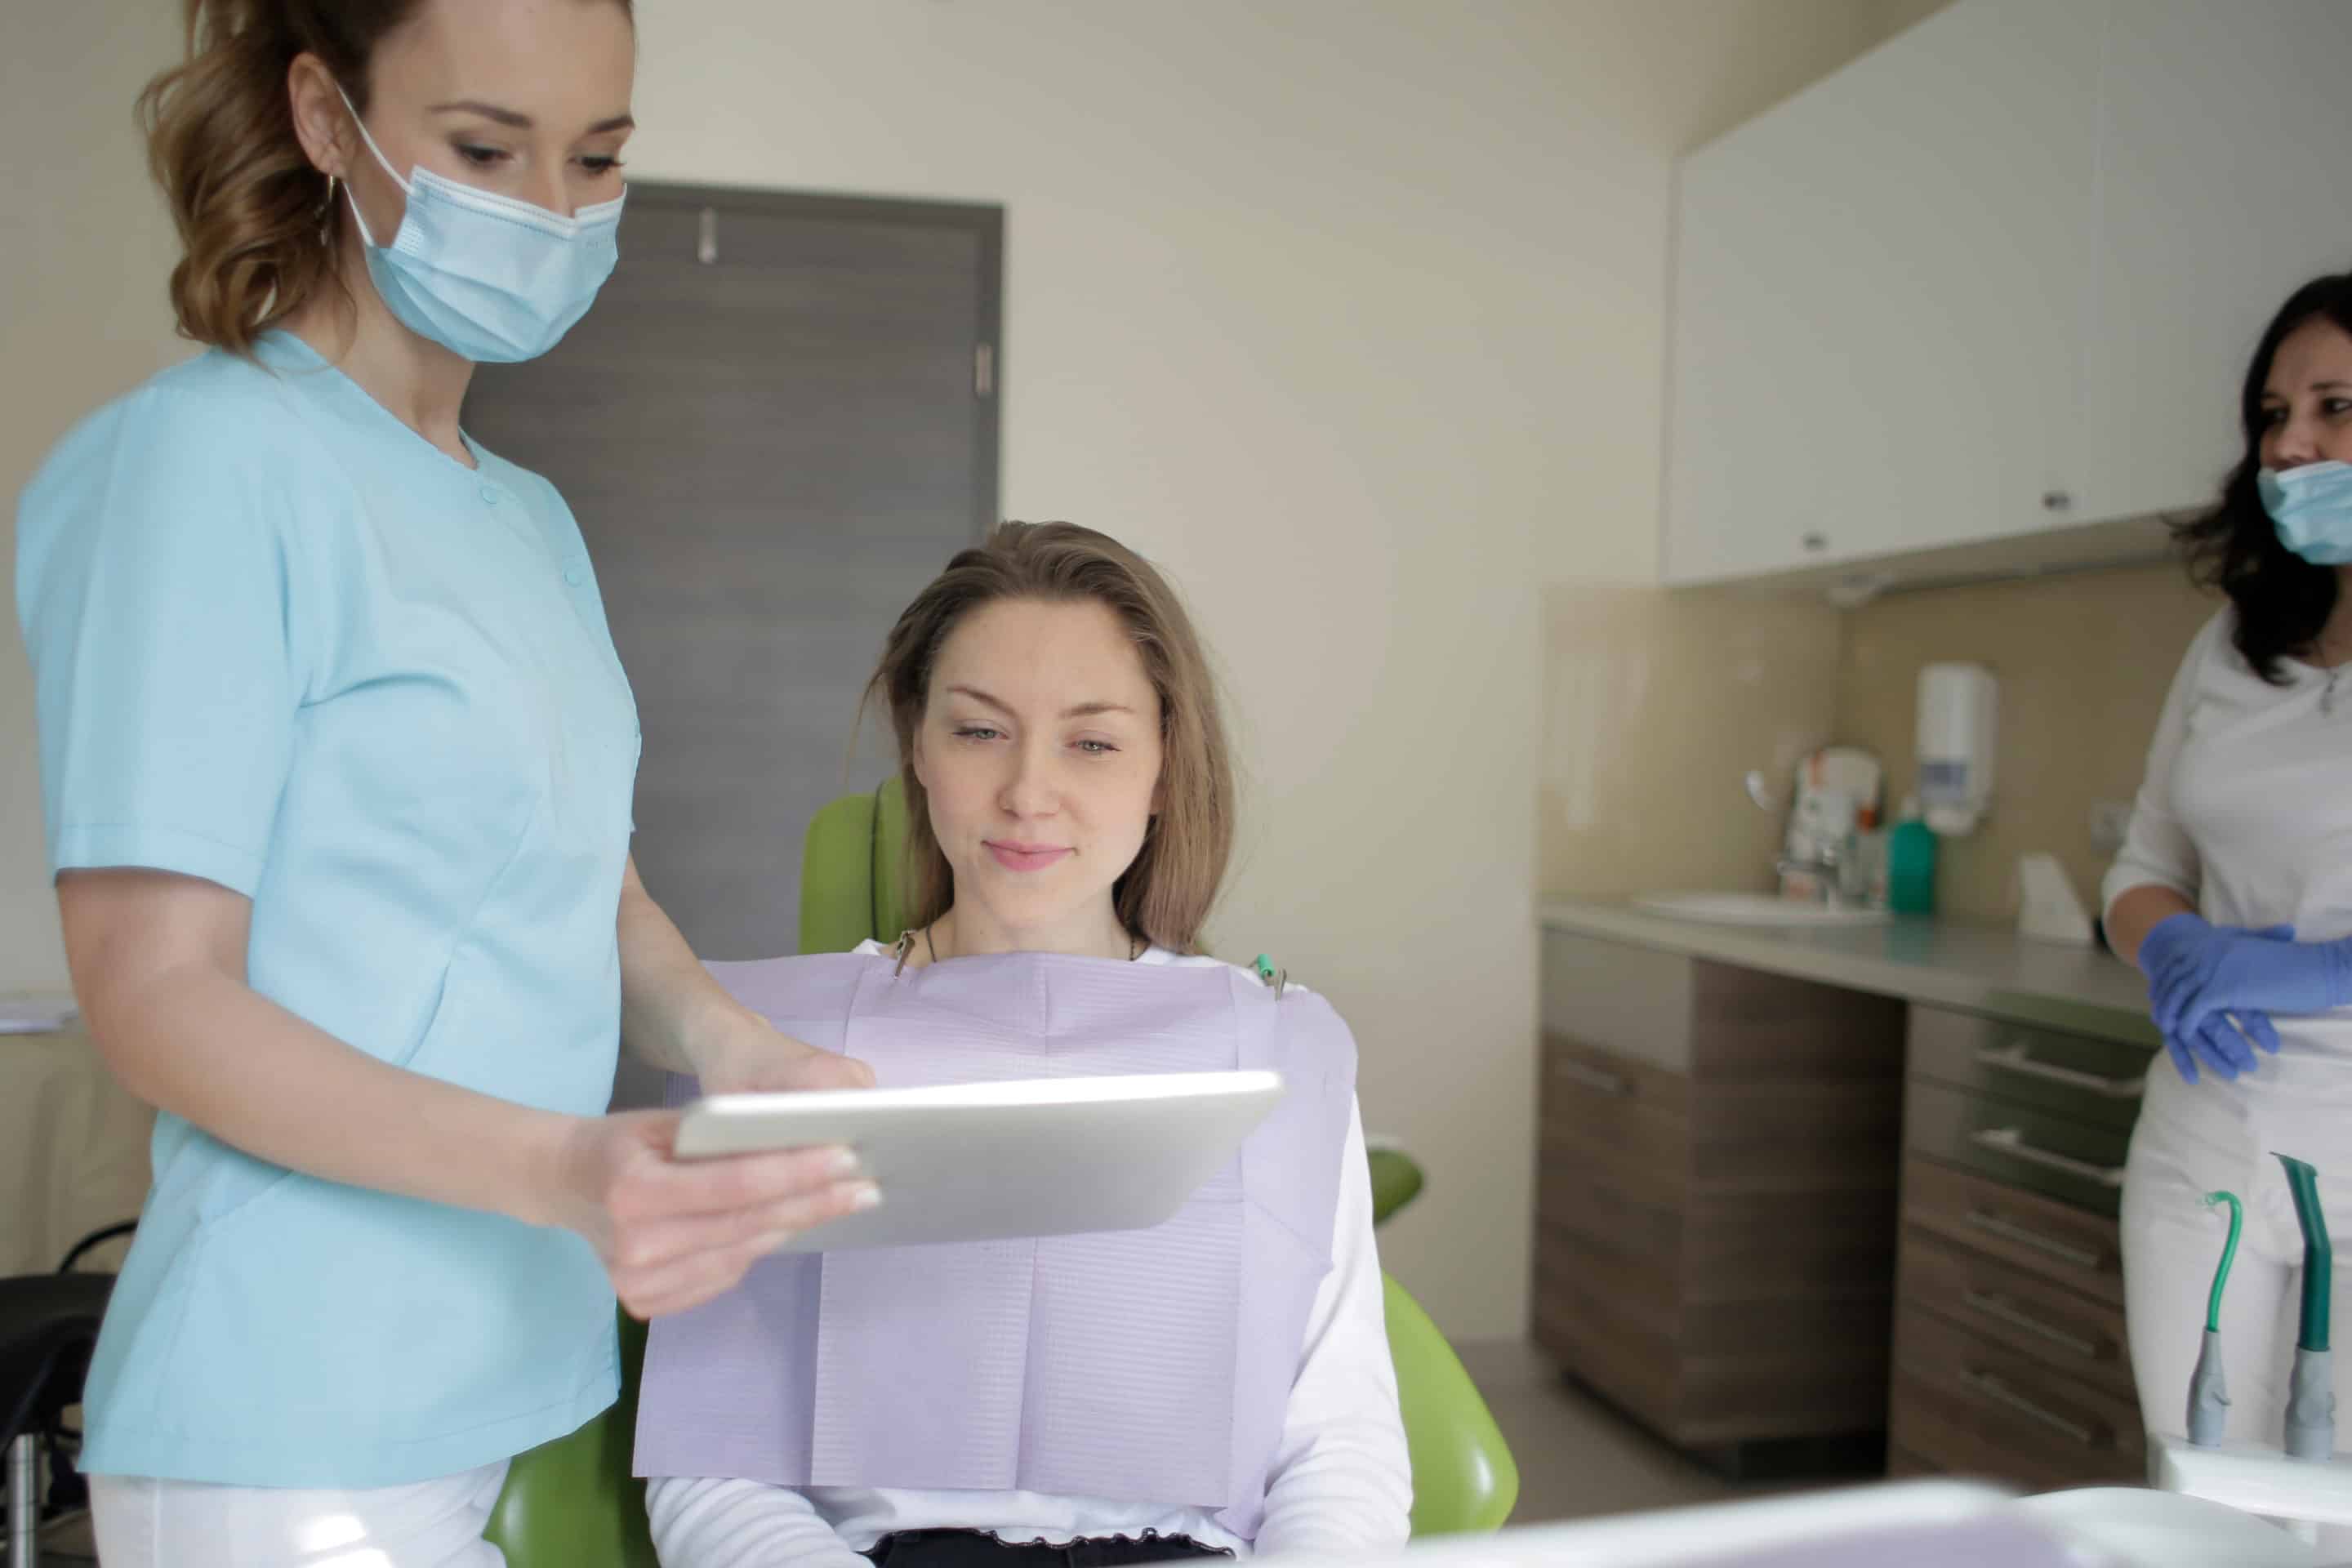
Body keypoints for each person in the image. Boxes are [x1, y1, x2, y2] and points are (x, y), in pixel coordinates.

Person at [15, 3, 873, 1561]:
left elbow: (582, 880)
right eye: (485, 150)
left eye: (596, 157)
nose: (550, 210)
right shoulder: (201, 462)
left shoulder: (528, 517)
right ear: (325, 117)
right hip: (291, 1413)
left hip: (509, 1375)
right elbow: (149, 992)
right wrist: (563, 1168)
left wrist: (736, 1049)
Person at [635, 523, 1413, 1567]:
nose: (1028, 795)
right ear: (917, 742)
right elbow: (713, 1469)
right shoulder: (768, 1051)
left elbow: (1341, 1440)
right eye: (978, 732)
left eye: (1092, 742)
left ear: (1163, 771)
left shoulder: (1270, 1048)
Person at [2105, 271, 2352, 1516]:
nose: (2290, 443)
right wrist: (2176, 949)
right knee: (2199, 1508)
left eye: (2334, 406)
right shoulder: (2236, 639)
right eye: (2272, 412)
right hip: (2208, 1132)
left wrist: (2318, 973)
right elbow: (2144, 865)